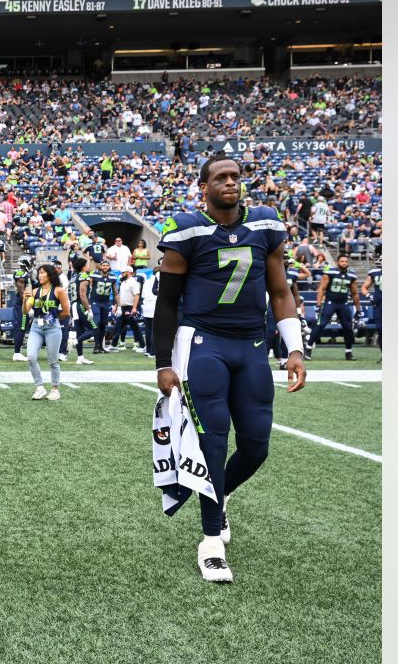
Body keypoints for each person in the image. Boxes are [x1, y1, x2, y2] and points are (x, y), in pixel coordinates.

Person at [154, 154, 307, 583]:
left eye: (235, 176)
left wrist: (293, 348)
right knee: (212, 443)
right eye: (220, 177)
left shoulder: (264, 225)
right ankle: (210, 542)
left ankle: (217, 498)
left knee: (257, 446)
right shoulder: (186, 229)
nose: (230, 183)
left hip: (253, 345)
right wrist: (164, 363)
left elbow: (280, 291)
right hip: (203, 343)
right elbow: (167, 303)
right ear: (204, 186)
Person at [23, 264, 71, 401]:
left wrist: (53, 318)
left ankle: (55, 389)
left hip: (52, 327)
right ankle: (39, 387)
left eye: (42, 273)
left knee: (53, 361)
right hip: (36, 327)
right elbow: (25, 311)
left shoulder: (59, 291)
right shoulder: (34, 291)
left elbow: (66, 312)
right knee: (31, 356)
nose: (39, 275)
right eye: (38, 273)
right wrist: (25, 299)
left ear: (49, 275)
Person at [307, 254, 361, 361]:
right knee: (320, 324)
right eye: (342, 261)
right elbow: (321, 289)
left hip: (344, 304)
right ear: (337, 262)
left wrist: (358, 309)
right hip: (330, 303)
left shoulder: (352, 275)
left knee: (348, 327)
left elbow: (354, 293)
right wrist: (318, 304)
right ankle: (308, 348)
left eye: (346, 261)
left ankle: (348, 351)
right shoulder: (330, 272)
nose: (344, 263)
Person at [70, 256, 96, 365]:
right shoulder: (84, 276)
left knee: (80, 332)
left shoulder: (74, 276)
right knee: (93, 329)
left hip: (74, 305)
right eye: (87, 264)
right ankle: (74, 342)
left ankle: (80, 357)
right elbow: (82, 294)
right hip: (80, 304)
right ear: (83, 266)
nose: (88, 266)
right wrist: (89, 308)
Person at [87, 259, 118, 353]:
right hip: (95, 302)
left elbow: (115, 292)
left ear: (109, 267)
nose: (105, 267)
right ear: (100, 266)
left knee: (103, 325)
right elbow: (89, 289)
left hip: (106, 303)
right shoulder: (94, 274)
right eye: (103, 265)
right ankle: (96, 346)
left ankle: (100, 346)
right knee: (97, 323)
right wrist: (88, 304)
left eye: (106, 265)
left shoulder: (113, 276)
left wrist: (118, 305)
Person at [113, 267, 146, 351]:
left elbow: (137, 295)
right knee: (117, 326)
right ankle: (113, 345)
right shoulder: (123, 282)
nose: (122, 274)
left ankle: (143, 346)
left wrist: (134, 308)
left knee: (135, 327)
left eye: (123, 272)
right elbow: (120, 295)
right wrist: (117, 305)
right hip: (122, 308)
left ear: (128, 272)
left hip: (129, 308)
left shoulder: (133, 283)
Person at [9, 256, 33, 362]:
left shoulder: (24, 273)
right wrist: (27, 304)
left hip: (24, 303)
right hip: (22, 304)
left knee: (23, 328)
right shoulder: (20, 273)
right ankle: (17, 353)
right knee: (21, 328)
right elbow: (21, 290)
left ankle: (18, 351)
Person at [361, 258, 382, 351]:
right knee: (381, 330)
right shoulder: (374, 273)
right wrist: (369, 296)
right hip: (379, 304)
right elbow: (364, 288)